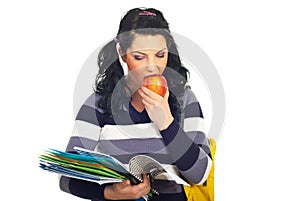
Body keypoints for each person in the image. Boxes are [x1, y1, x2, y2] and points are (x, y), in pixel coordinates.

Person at [59, 7, 212, 201]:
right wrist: (110, 193)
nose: (152, 66)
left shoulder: (184, 99)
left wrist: (167, 123)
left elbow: (201, 175)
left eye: (160, 55)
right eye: (139, 57)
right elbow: (66, 177)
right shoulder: (98, 104)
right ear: (122, 54)